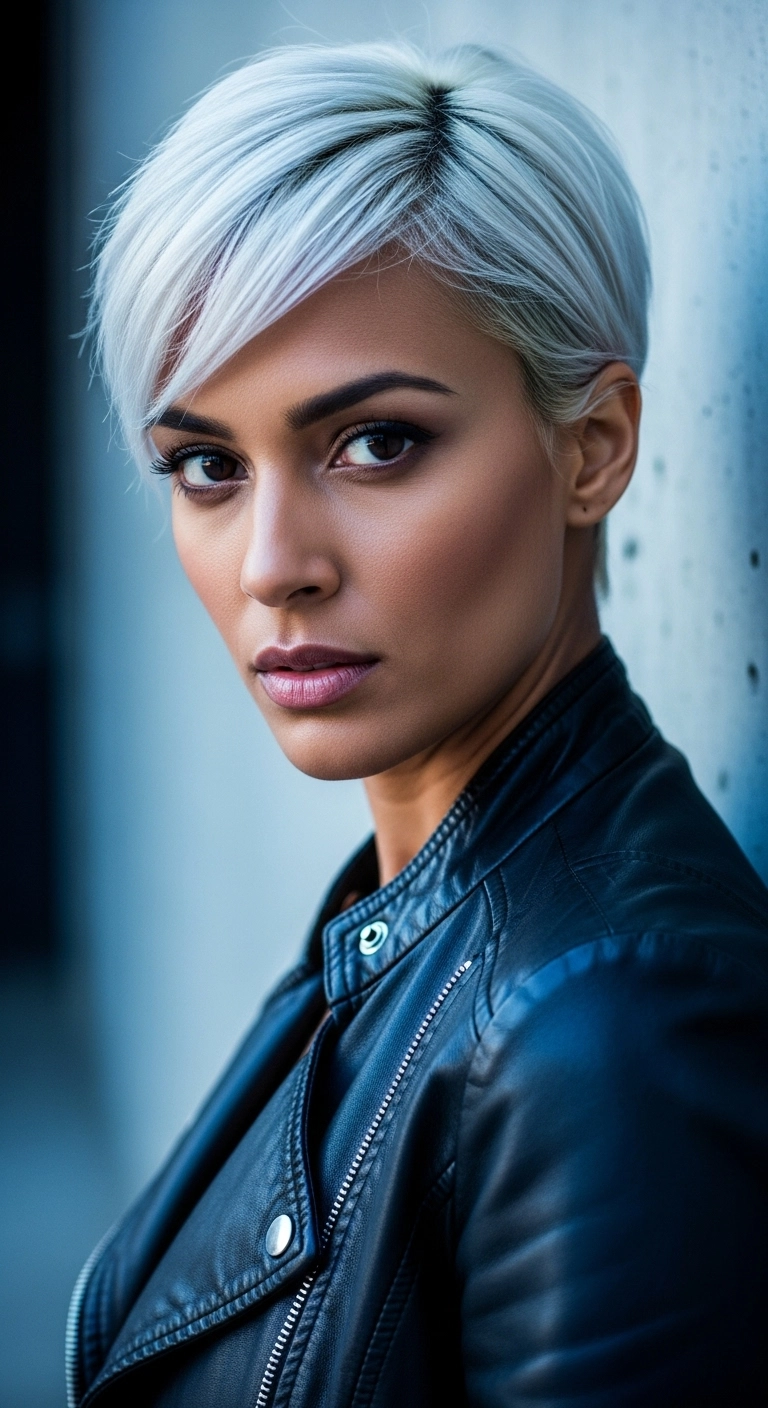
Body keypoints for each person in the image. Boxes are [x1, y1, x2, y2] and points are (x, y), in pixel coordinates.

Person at [67, 42, 768, 1408]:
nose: (273, 565)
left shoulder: (614, 1037)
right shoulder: (407, 921)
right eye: (207, 464)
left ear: (594, 446)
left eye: (375, 442)